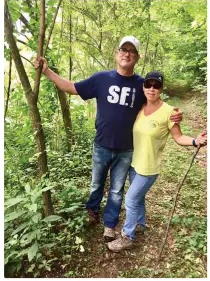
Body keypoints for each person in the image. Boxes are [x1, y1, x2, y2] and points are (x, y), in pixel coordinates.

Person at [34, 36, 183, 242]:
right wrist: (47, 71)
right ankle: (92, 212)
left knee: (116, 189)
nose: (127, 53)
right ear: (117, 53)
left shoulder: (141, 84)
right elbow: (71, 87)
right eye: (123, 49)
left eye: (132, 51)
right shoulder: (101, 79)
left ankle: (110, 224)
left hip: (126, 149)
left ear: (137, 57)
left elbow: (156, 101)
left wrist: (175, 115)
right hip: (101, 145)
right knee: (96, 184)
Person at [106, 71, 207, 252]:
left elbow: (179, 137)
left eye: (156, 85)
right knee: (139, 198)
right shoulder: (139, 107)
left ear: (161, 88)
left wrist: (194, 141)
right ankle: (141, 224)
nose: (152, 88)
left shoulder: (169, 112)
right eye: (148, 84)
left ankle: (127, 236)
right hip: (134, 164)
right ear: (143, 86)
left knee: (130, 199)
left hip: (149, 168)